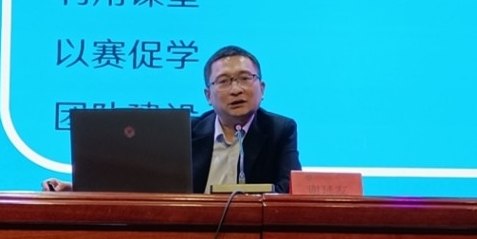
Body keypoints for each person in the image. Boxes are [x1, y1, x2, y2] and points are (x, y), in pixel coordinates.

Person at [42, 45, 301, 193]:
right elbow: (145, 182)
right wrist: (75, 188)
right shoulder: (184, 131)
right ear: (208, 95)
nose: (236, 89)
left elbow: (289, 190)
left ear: (262, 88)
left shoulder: (280, 130)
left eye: (245, 78)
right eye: (224, 81)